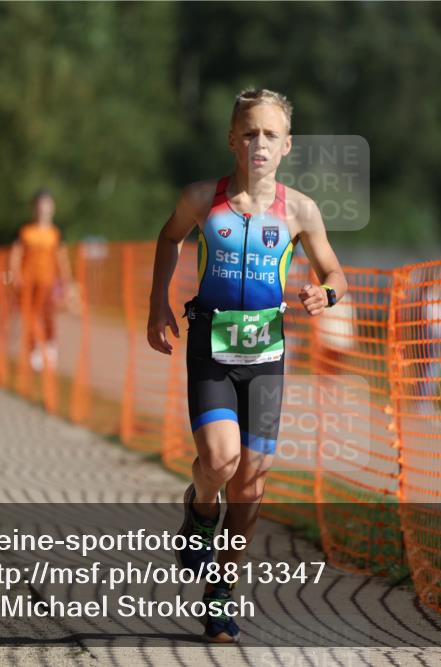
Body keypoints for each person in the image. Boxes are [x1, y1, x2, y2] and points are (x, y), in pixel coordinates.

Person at [147, 88, 348, 643]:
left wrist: (323, 297)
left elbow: (336, 276)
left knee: (252, 484)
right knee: (219, 459)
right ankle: (199, 510)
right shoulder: (201, 200)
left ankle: (220, 597)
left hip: (266, 358)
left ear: (287, 145)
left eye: (270, 134)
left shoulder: (300, 211)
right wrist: (157, 304)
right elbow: (168, 238)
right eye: (250, 132)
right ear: (232, 139)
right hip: (211, 347)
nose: (259, 143)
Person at [9, 190, 77, 372]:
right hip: (28, 284)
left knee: (48, 317)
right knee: (30, 317)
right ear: (34, 208)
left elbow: (62, 259)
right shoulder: (25, 232)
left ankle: (50, 347)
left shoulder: (55, 234)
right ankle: (34, 352)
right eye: (40, 205)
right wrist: (15, 275)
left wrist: (67, 282)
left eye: (46, 205)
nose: (43, 210)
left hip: (48, 283)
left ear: (52, 208)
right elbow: (16, 255)